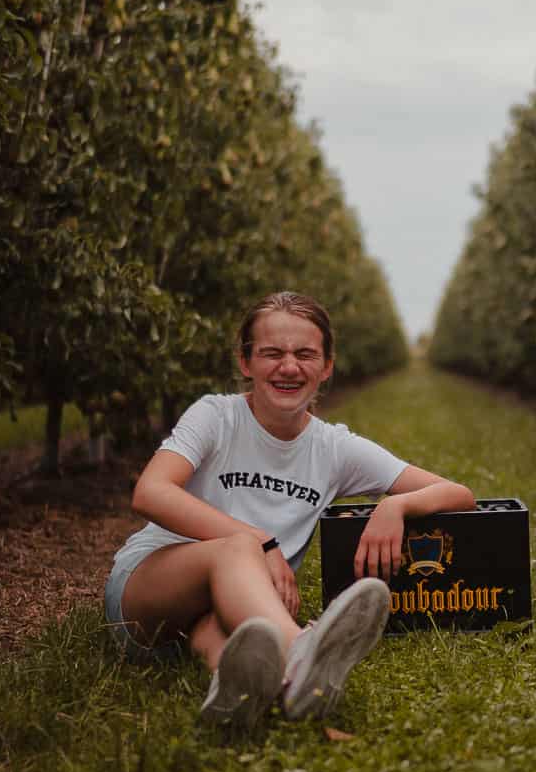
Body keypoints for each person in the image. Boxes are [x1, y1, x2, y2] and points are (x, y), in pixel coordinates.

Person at [102, 290, 475, 732]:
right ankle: (301, 650)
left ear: (327, 366)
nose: (289, 367)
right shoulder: (215, 417)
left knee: (240, 637)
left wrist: (397, 504)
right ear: (246, 362)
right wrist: (260, 541)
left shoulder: (333, 448)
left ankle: (257, 689)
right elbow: (150, 492)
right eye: (272, 353)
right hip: (147, 592)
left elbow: (459, 494)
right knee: (237, 547)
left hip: (228, 609)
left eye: (305, 354)